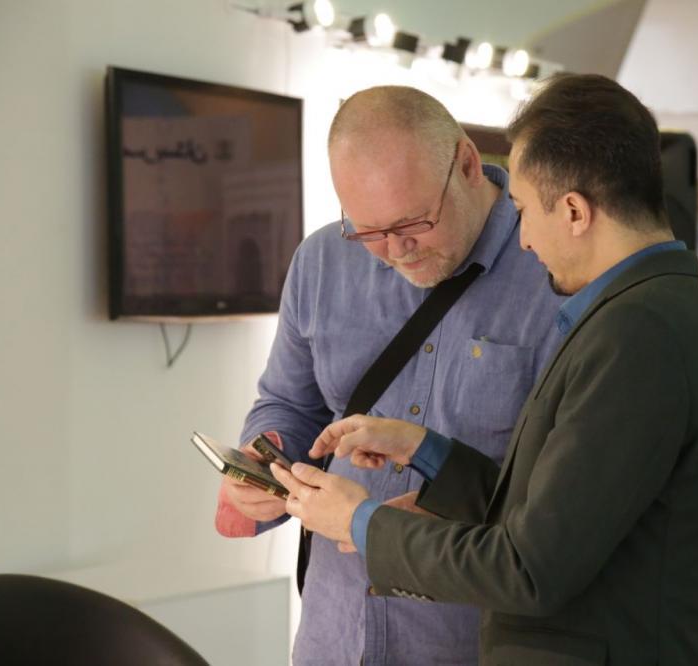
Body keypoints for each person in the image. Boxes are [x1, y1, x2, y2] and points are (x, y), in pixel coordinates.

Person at [272, 73, 698, 665]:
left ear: (575, 211)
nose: (523, 241)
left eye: (524, 211)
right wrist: (425, 449)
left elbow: (529, 568)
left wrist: (359, 521)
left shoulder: (640, 335)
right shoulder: (660, 316)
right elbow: (558, 515)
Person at [216, 86, 565, 665]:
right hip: (333, 634)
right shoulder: (321, 261)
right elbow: (288, 402)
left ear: (467, 164)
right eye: (368, 231)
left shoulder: (553, 269)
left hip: (470, 642)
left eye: (414, 223)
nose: (395, 251)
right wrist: (265, 456)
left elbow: (564, 492)